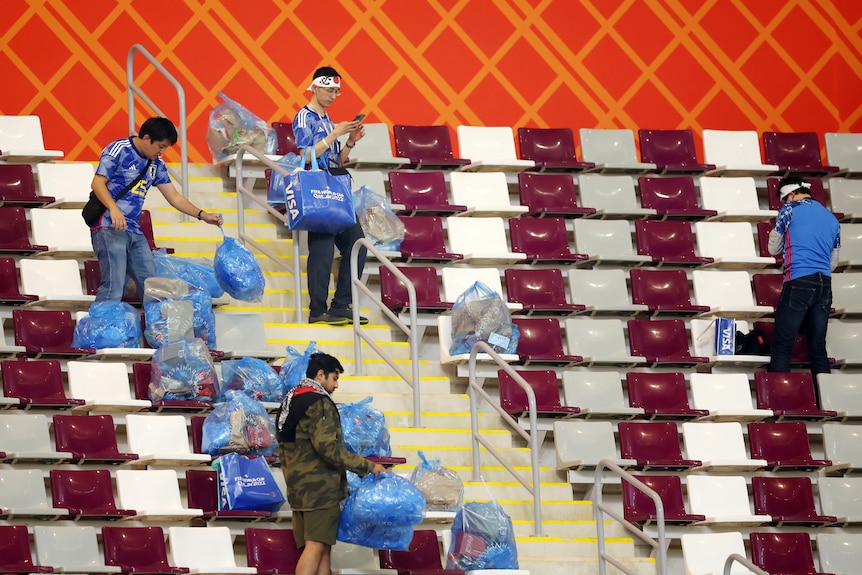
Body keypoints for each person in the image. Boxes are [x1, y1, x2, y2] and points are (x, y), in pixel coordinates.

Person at [90, 117, 223, 301]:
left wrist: (202, 215)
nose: (162, 152)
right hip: (108, 225)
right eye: (160, 146)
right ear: (146, 138)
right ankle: (103, 328)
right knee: (114, 286)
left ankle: (157, 330)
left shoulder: (156, 164)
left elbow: (174, 197)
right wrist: (113, 209)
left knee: (152, 287)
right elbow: (97, 183)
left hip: (134, 230)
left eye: (165, 148)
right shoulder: (119, 150)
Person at [276, 352, 386, 575]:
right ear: (320, 375)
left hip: (297, 488)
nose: (336, 385)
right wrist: (367, 466)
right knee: (315, 547)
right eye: (334, 378)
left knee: (324, 547)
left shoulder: (291, 399)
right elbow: (329, 449)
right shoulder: (319, 402)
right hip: (319, 489)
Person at [292, 66, 368, 325]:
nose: (334, 95)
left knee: (358, 244)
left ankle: (341, 304)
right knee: (322, 251)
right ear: (314, 87)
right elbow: (304, 156)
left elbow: (336, 159)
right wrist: (335, 134)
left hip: (335, 186)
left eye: (337, 91)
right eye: (329, 90)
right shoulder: (304, 117)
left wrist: (350, 142)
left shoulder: (327, 120)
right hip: (318, 189)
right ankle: (317, 310)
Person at [767, 175, 840, 378]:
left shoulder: (790, 210)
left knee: (782, 347)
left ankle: (779, 403)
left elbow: (773, 248)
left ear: (790, 195)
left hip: (799, 280)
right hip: (824, 285)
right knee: (818, 350)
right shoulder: (831, 218)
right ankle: (826, 402)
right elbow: (832, 262)